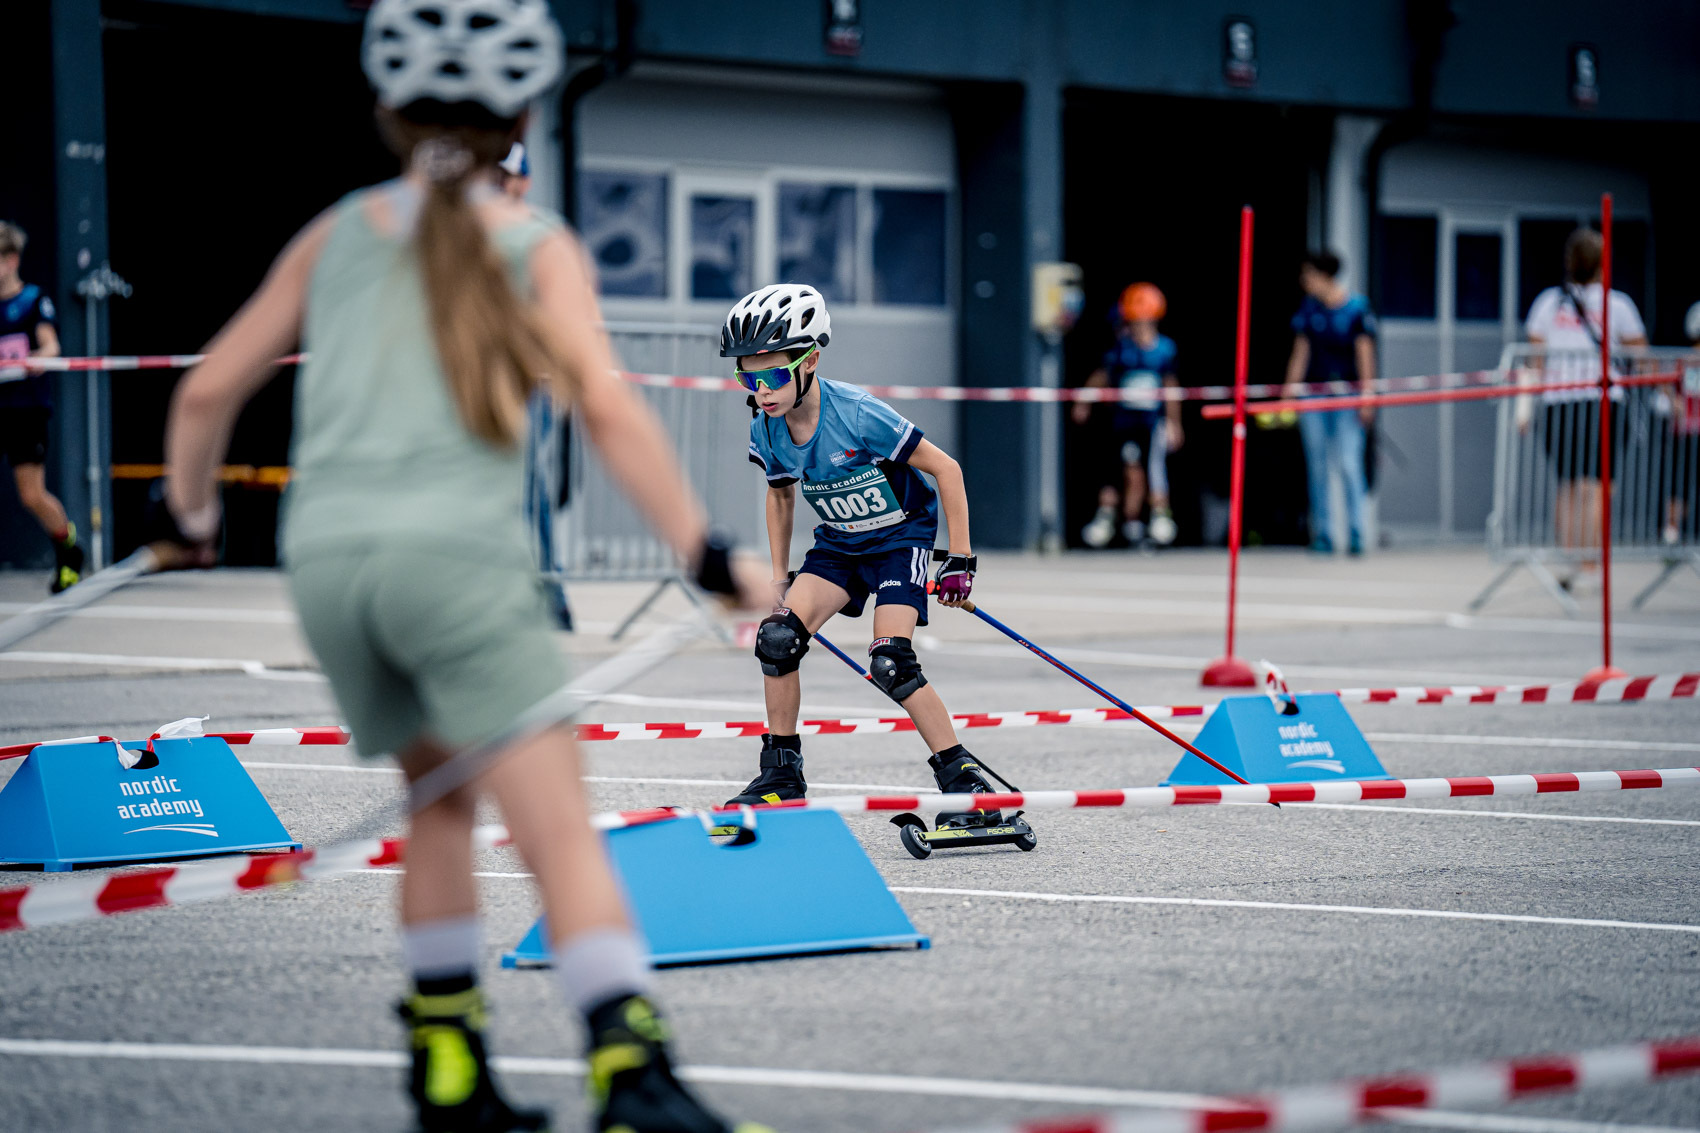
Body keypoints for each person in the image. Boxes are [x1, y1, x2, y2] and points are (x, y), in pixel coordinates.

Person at [152, 3, 768, 1131]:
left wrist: (188, 513)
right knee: (557, 829)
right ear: (525, 113)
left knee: (436, 806)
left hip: (329, 565)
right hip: (455, 561)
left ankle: (447, 1071)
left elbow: (202, 392)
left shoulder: (336, 231)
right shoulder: (534, 242)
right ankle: (633, 1079)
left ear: (386, 111)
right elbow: (605, 409)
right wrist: (710, 553)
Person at [722, 282, 1010, 834]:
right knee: (776, 639)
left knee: (891, 663)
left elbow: (946, 469)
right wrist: (781, 575)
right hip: (839, 543)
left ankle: (966, 784)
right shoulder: (766, 425)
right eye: (748, 376)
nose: (762, 389)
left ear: (811, 361)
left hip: (901, 540)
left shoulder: (857, 413)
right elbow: (780, 494)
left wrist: (959, 560)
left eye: (774, 375)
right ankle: (782, 773)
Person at [1524, 227, 1647, 587]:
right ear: (1602, 264)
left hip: (1560, 400)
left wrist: (1526, 405)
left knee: (1568, 485)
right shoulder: (1618, 304)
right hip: (1601, 400)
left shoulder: (1549, 302)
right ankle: (1589, 566)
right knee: (1595, 485)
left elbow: (1535, 359)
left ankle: (1571, 560)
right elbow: (1641, 355)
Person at [0, 221, 82, 592]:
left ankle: (68, 551)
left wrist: (33, 359)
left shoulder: (33, 300)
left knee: (31, 494)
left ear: (11, 259)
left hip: (25, 409)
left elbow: (51, 347)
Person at [1073, 283, 1182, 548]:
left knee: (1155, 469)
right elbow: (1101, 375)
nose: (1139, 329)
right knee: (1126, 472)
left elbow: (1171, 387)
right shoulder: (1122, 348)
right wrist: (1084, 400)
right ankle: (1115, 518)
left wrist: (1174, 422)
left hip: (1151, 421)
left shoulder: (1165, 350)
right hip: (1124, 423)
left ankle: (1159, 516)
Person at [1283, 250, 1377, 555]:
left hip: (1347, 395)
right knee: (1318, 466)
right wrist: (1289, 392)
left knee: (1349, 464)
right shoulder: (1309, 309)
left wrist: (1367, 396)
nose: (1304, 281)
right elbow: (1301, 353)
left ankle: (1357, 533)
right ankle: (1323, 533)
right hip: (1314, 395)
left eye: (1308, 274)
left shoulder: (1356, 308)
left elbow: (1365, 354)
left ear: (1324, 276)